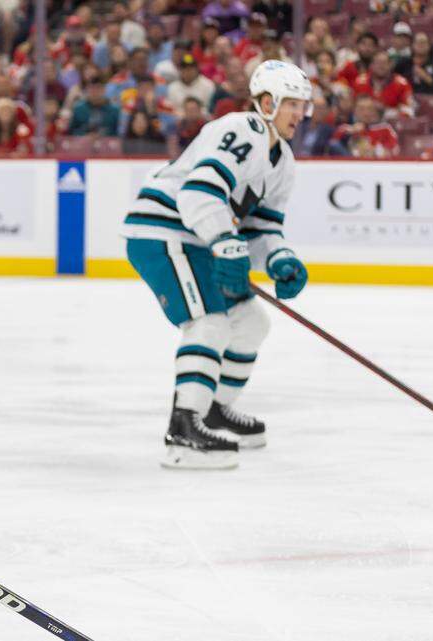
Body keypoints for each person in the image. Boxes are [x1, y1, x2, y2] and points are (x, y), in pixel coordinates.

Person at [120, 60, 312, 469]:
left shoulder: (285, 161)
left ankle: (212, 409)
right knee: (209, 322)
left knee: (252, 324)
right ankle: (183, 433)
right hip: (163, 231)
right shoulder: (243, 130)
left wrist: (280, 260)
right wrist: (226, 243)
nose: (301, 113)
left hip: (200, 239)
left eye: (303, 105)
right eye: (292, 104)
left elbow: (263, 228)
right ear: (266, 102)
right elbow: (198, 193)